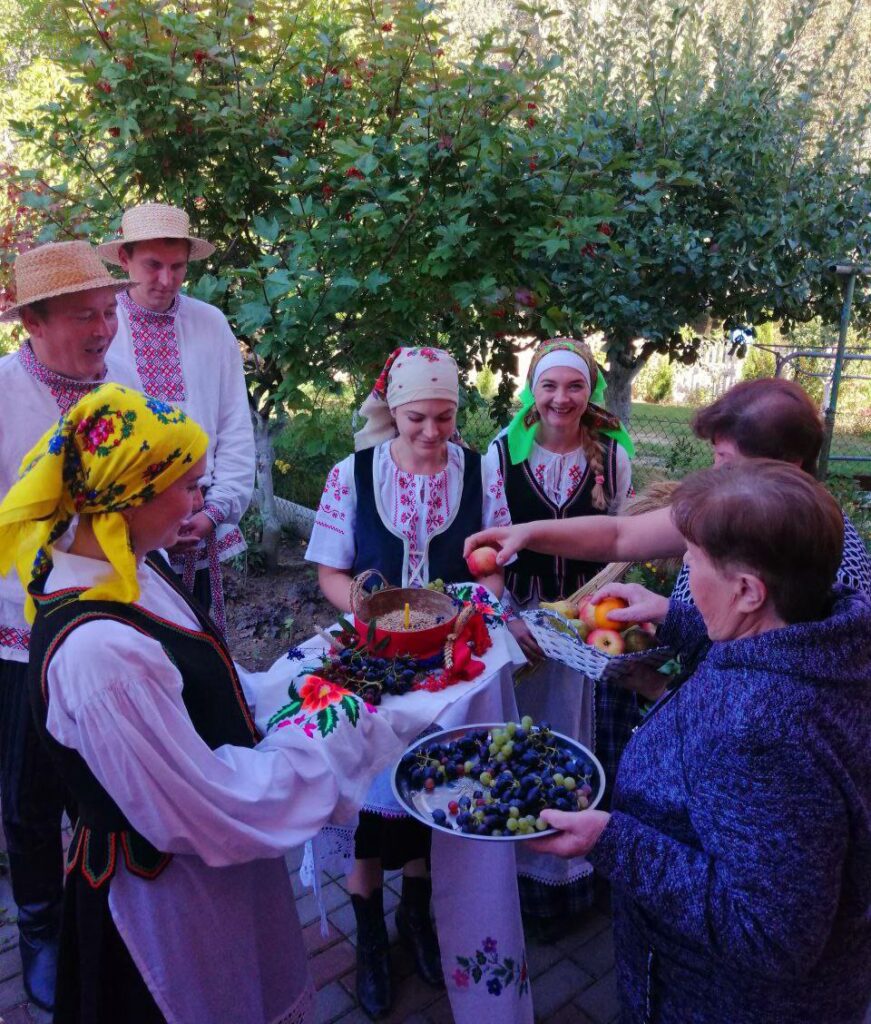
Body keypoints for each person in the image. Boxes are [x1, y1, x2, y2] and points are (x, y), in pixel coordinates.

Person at [0, 384, 422, 1024]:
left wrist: (318, 667)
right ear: (130, 497)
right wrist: (340, 733)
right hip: (167, 899)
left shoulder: (132, 566)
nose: (201, 501)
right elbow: (212, 803)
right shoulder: (101, 655)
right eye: (188, 485)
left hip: (208, 871)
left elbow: (209, 690)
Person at [529, 460, 871, 1024]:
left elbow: (771, 935)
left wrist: (613, 840)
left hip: (719, 1003)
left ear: (748, 591)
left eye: (693, 559)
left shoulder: (763, 734)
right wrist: (677, 618)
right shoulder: (823, 640)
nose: (684, 567)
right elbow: (760, 654)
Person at [305, 346, 511, 1019]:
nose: (431, 432)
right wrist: (371, 614)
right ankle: (369, 932)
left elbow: (491, 563)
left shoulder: (479, 471)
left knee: (436, 784)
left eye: (444, 418)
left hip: (454, 660)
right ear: (393, 411)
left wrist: (474, 608)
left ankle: (415, 916)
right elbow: (330, 570)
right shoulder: (354, 473)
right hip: (375, 662)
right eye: (417, 417)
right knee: (372, 797)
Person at [0, 240, 137, 1011]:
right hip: (18, 631)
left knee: (102, 776)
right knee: (28, 795)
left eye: (108, 310)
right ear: (36, 322)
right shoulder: (2, 394)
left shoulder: (119, 389)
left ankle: (101, 911)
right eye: (86, 314)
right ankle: (39, 926)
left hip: (110, 620)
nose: (105, 327)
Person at [466, 377, 871, 634]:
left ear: (788, 464)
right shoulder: (740, 512)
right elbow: (620, 535)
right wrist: (527, 533)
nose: (714, 471)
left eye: (726, 460)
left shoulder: (828, 561)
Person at [484, 337, 634, 938]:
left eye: (575, 385)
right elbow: (489, 544)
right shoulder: (503, 452)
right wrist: (507, 619)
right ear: (532, 390)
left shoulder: (612, 454)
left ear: (589, 390)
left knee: (574, 739)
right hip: (521, 621)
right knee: (521, 739)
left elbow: (622, 540)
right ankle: (516, 883)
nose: (561, 398)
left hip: (583, 625)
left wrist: (592, 612)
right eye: (549, 385)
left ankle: (571, 884)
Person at [97, 202, 255, 632]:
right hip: (121, 534)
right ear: (124, 258)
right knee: (133, 646)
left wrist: (215, 511)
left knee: (196, 648)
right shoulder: (101, 327)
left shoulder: (210, 324)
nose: (166, 280)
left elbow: (234, 425)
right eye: (153, 265)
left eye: (177, 266)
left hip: (198, 522)